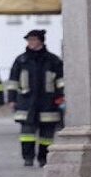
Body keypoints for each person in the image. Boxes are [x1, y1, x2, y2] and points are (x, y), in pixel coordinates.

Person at [7, 29, 65, 167]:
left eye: (33, 40)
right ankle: (28, 158)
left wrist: (61, 96)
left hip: (48, 102)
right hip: (26, 102)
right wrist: (12, 99)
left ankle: (43, 158)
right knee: (27, 133)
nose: (30, 43)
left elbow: (61, 81)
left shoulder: (53, 60)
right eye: (29, 40)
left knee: (47, 135)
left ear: (40, 41)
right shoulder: (21, 60)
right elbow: (13, 81)